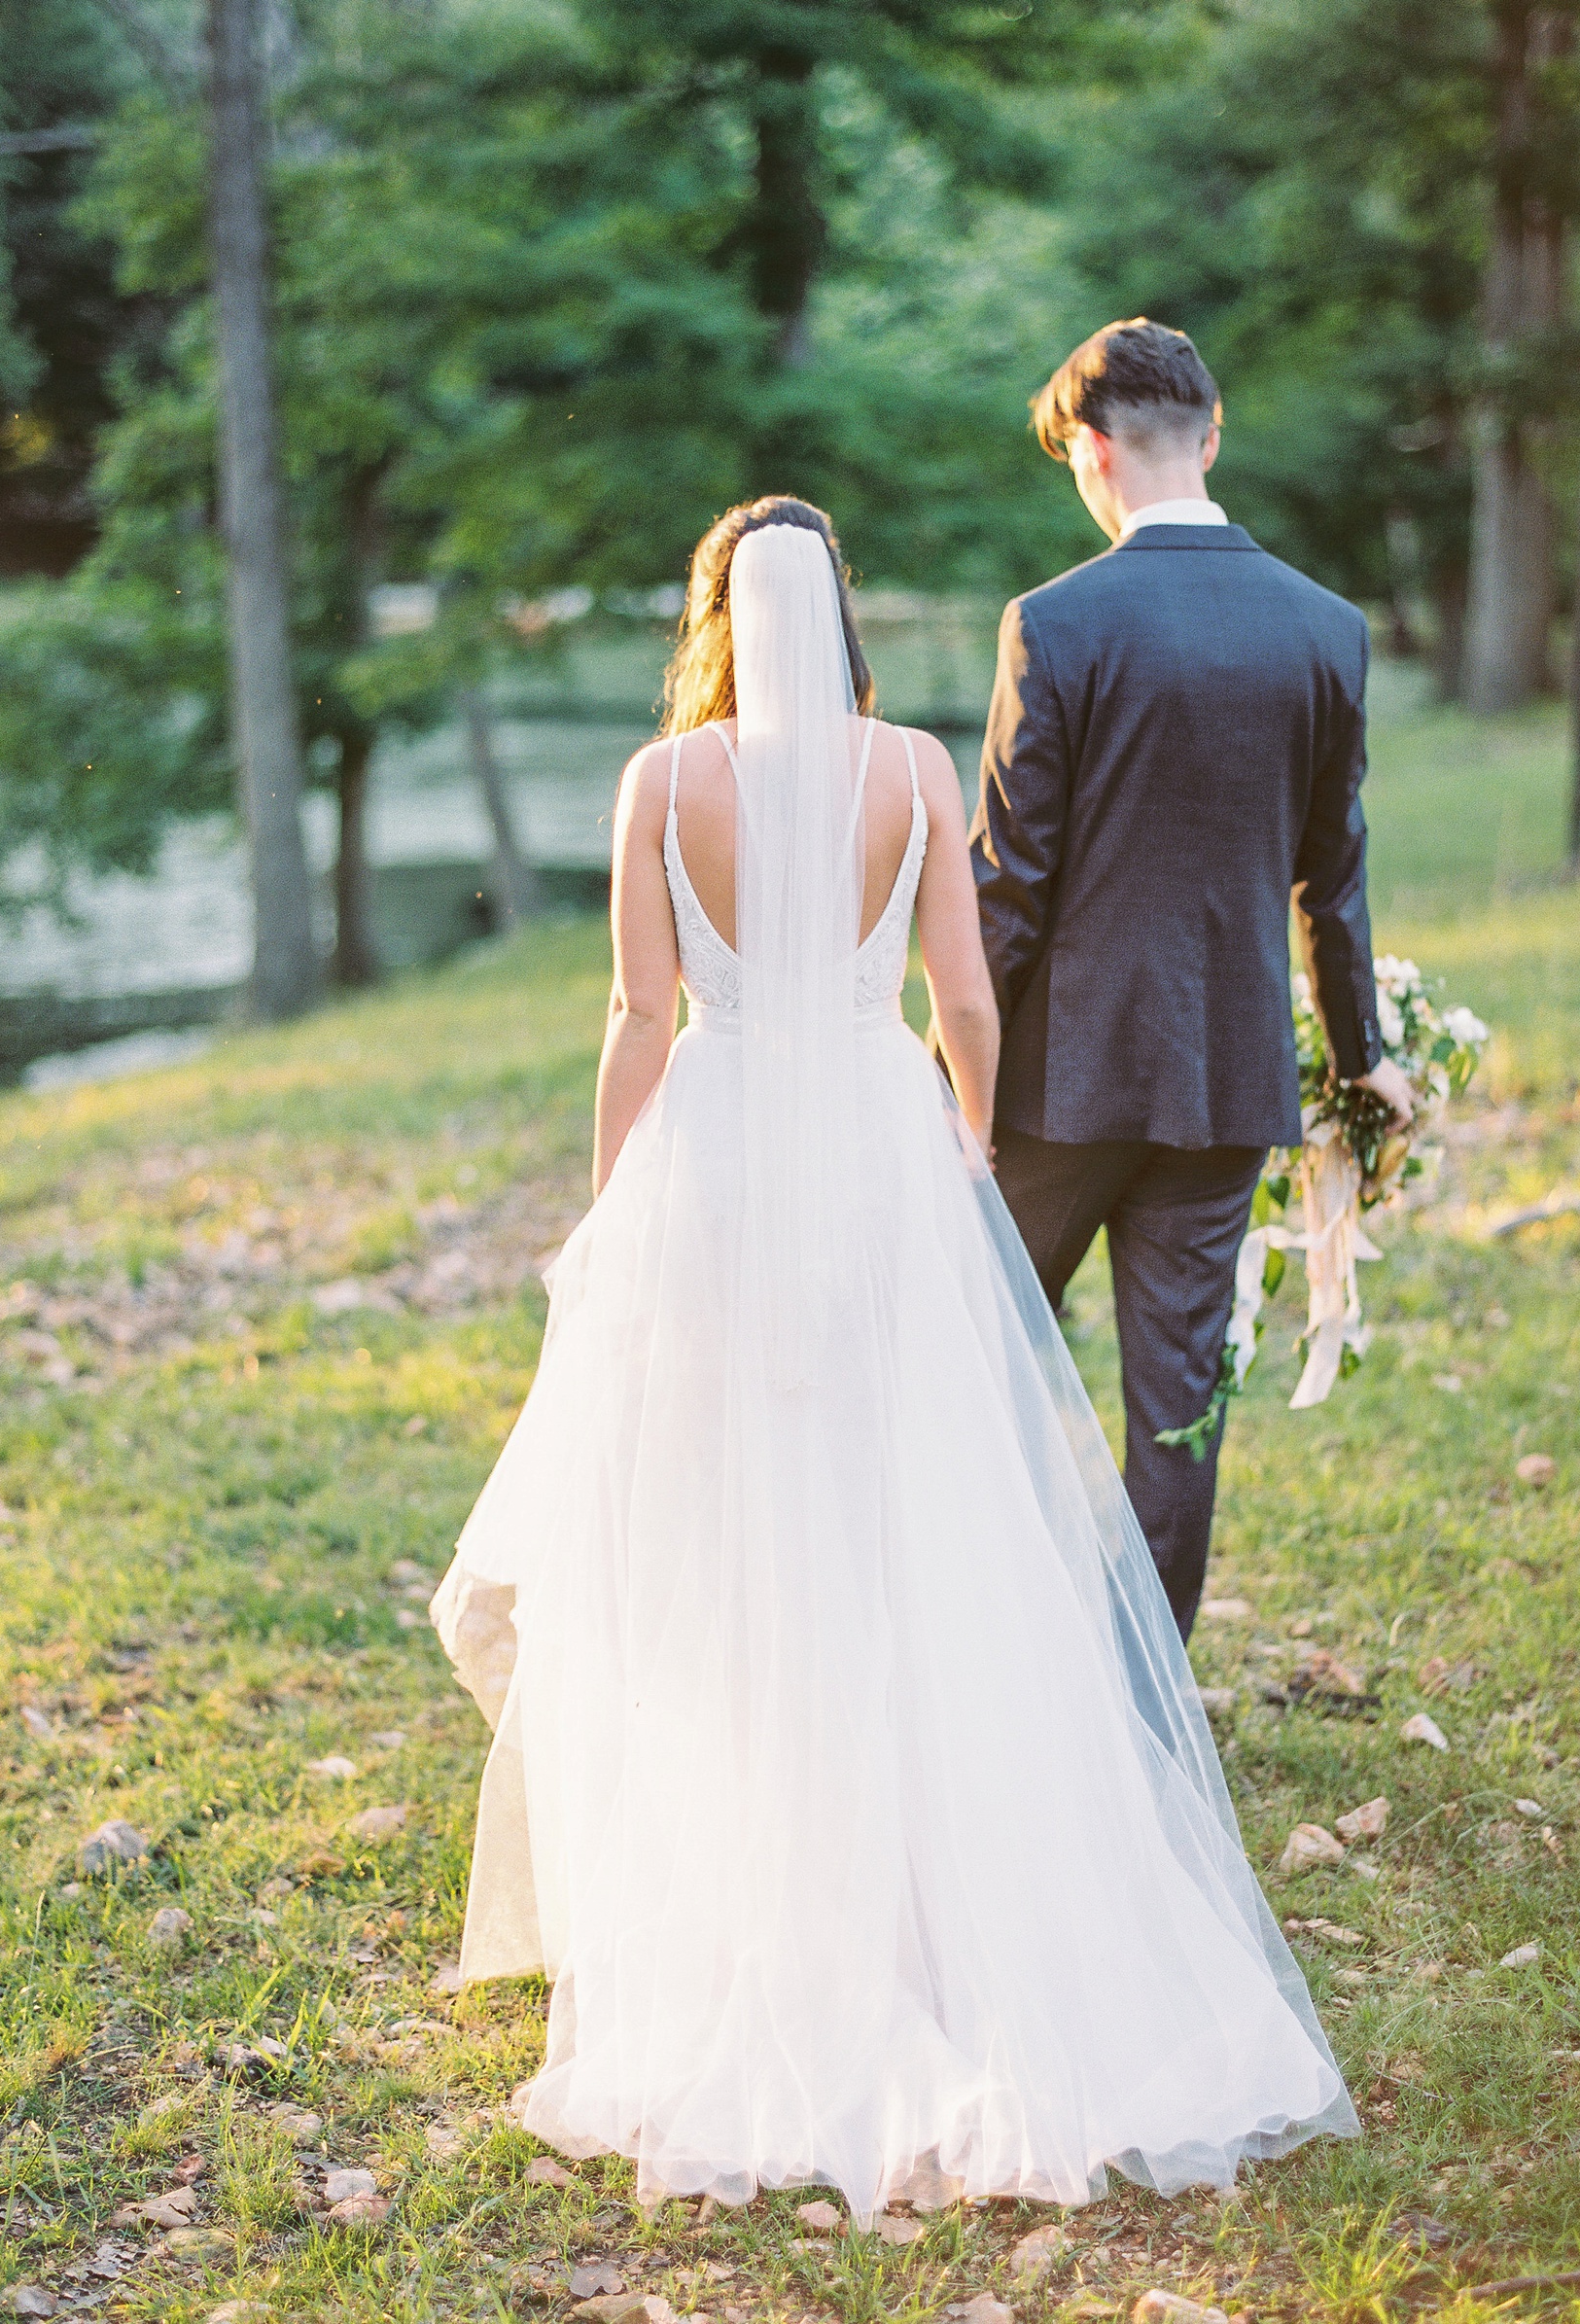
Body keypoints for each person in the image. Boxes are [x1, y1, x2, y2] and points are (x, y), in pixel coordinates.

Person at [431, 496, 1355, 2224]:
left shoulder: (663, 785)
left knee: (721, 1518)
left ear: (714, 611)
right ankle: (929, 1879)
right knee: (896, 1508)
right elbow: (969, 998)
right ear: (838, 608)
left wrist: (610, 1193)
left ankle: (744, 1871)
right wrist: (969, 1148)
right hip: (873, 1138)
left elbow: (640, 1016)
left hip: (716, 1153)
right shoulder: (912, 766)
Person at [971, 318, 1413, 1643]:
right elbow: (1330, 880)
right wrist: (1361, 1055)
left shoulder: (1055, 624)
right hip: (1227, 1081)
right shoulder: (1327, 631)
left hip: (1053, 1087)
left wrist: (950, 1088)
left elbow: (1007, 887)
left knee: (964, 1356)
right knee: (1177, 1406)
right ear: (1211, 437)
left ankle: (973, 1652)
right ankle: (1144, 1700)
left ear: (1095, 455)